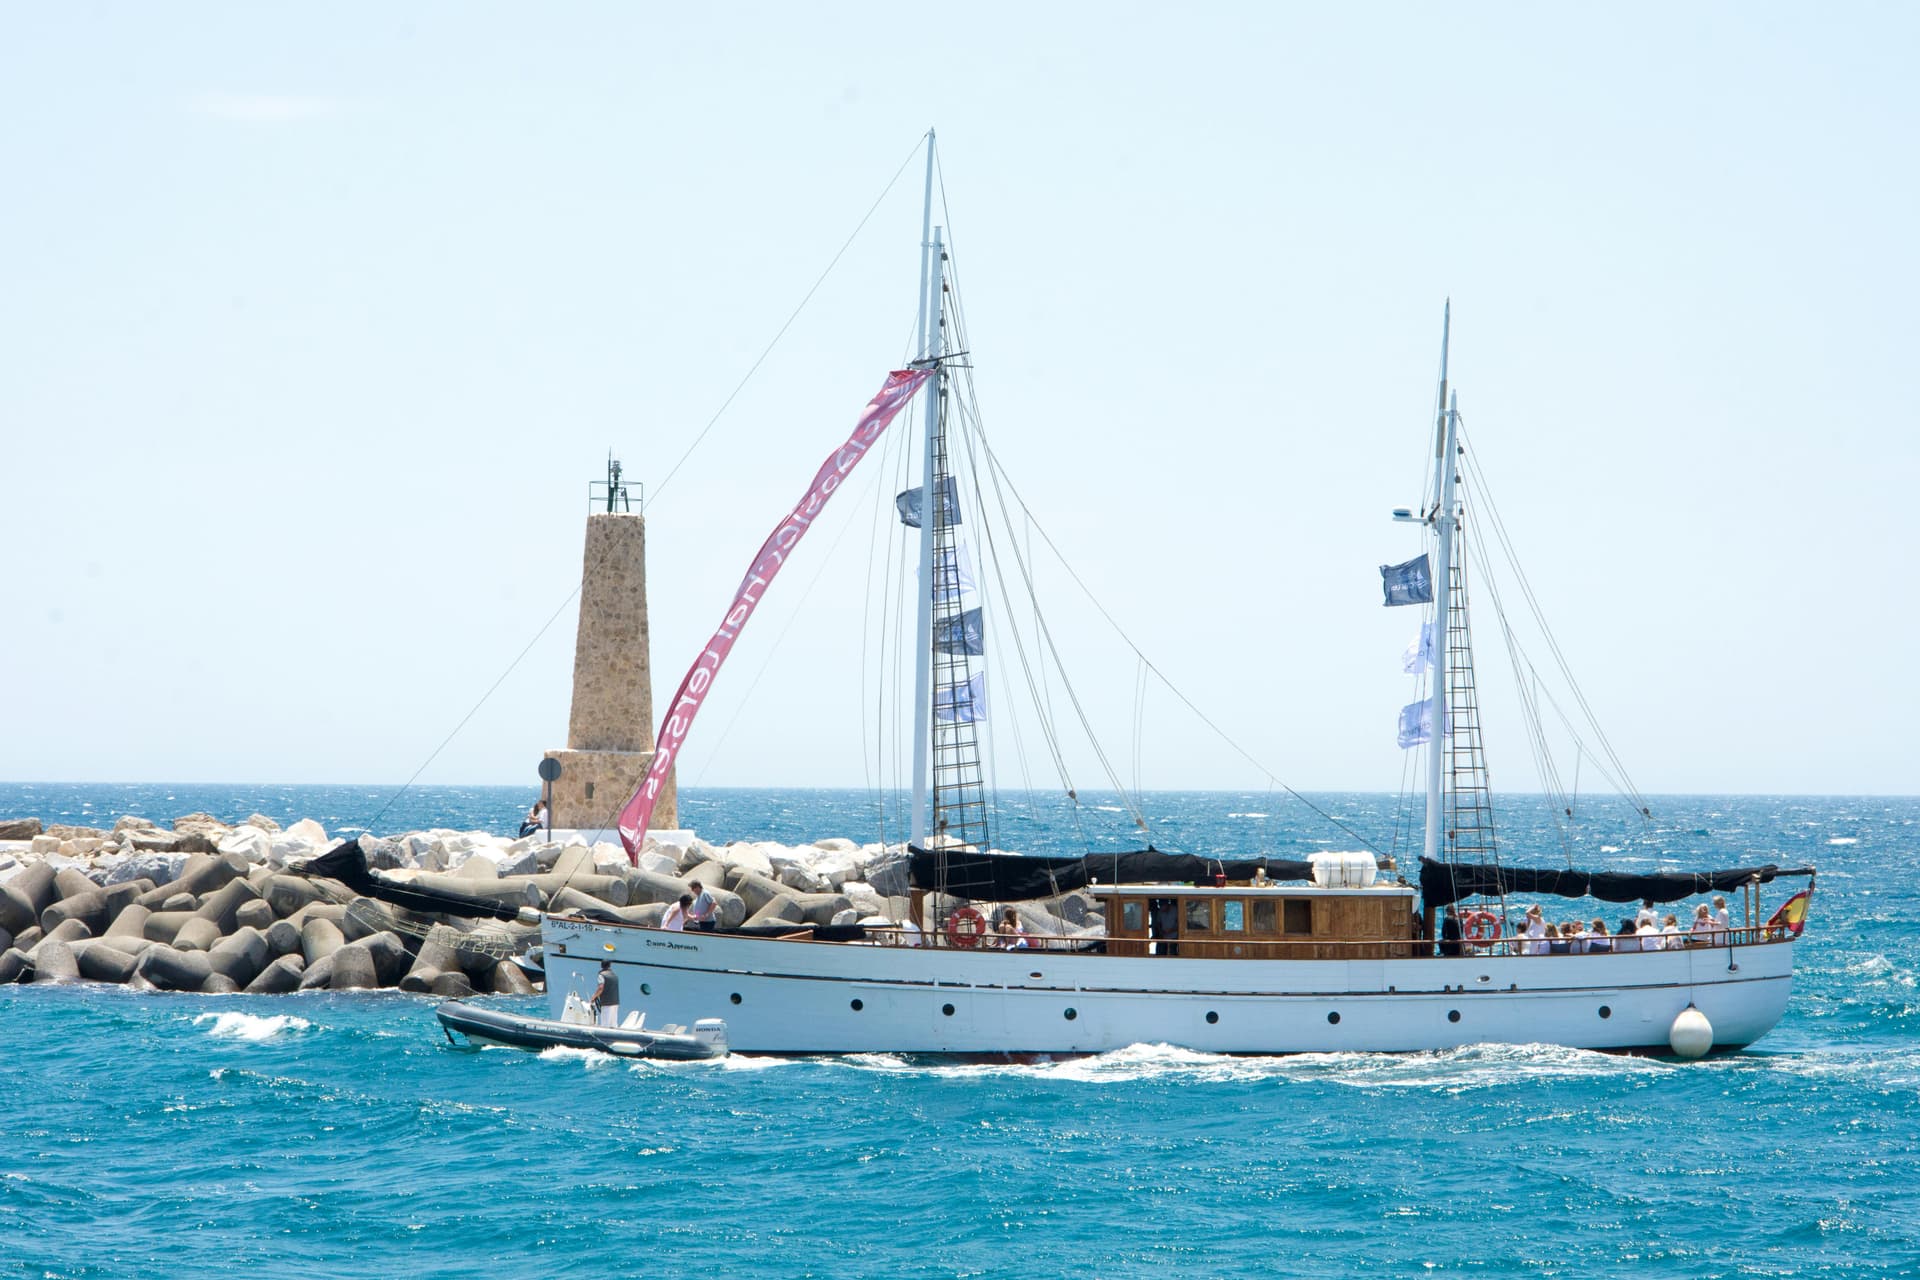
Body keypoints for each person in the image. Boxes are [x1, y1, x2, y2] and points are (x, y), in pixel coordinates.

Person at [588, 960, 620, 1028]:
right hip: (615, 1002)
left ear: (601, 966)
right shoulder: (614, 975)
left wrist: (593, 997)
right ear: (610, 965)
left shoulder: (601, 975)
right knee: (613, 1024)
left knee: (605, 1024)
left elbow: (600, 988)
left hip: (607, 1003)